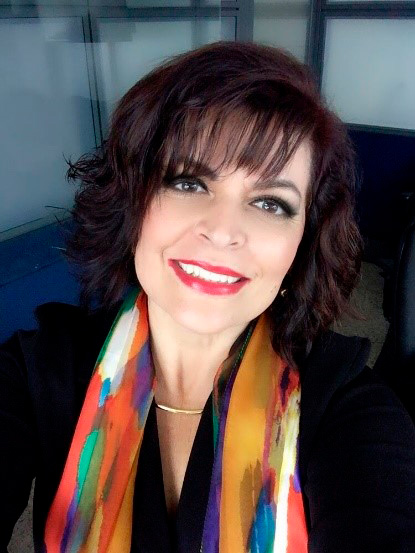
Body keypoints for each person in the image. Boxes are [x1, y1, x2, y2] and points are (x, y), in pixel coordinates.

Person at [1, 41, 415, 553]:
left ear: (301, 246)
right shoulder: (39, 372)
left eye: (270, 203)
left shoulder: (349, 413)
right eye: (189, 183)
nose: (222, 231)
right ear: (133, 203)